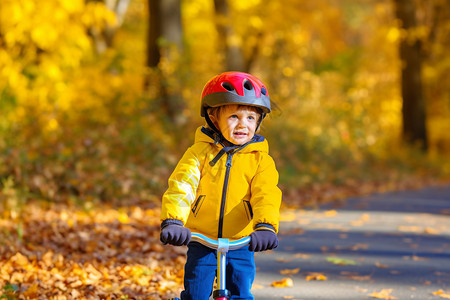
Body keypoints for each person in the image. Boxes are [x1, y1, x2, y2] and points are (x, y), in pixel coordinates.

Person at [160, 71, 282, 300]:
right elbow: (182, 185)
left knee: (241, 293)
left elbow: (266, 194)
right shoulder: (198, 154)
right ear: (214, 118)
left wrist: (265, 226)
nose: (242, 124)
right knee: (195, 294)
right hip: (202, 240)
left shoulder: (261, 160)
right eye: (234, 116)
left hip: (241, 242)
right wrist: (174, 220)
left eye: (250, 118)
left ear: (258, 122)